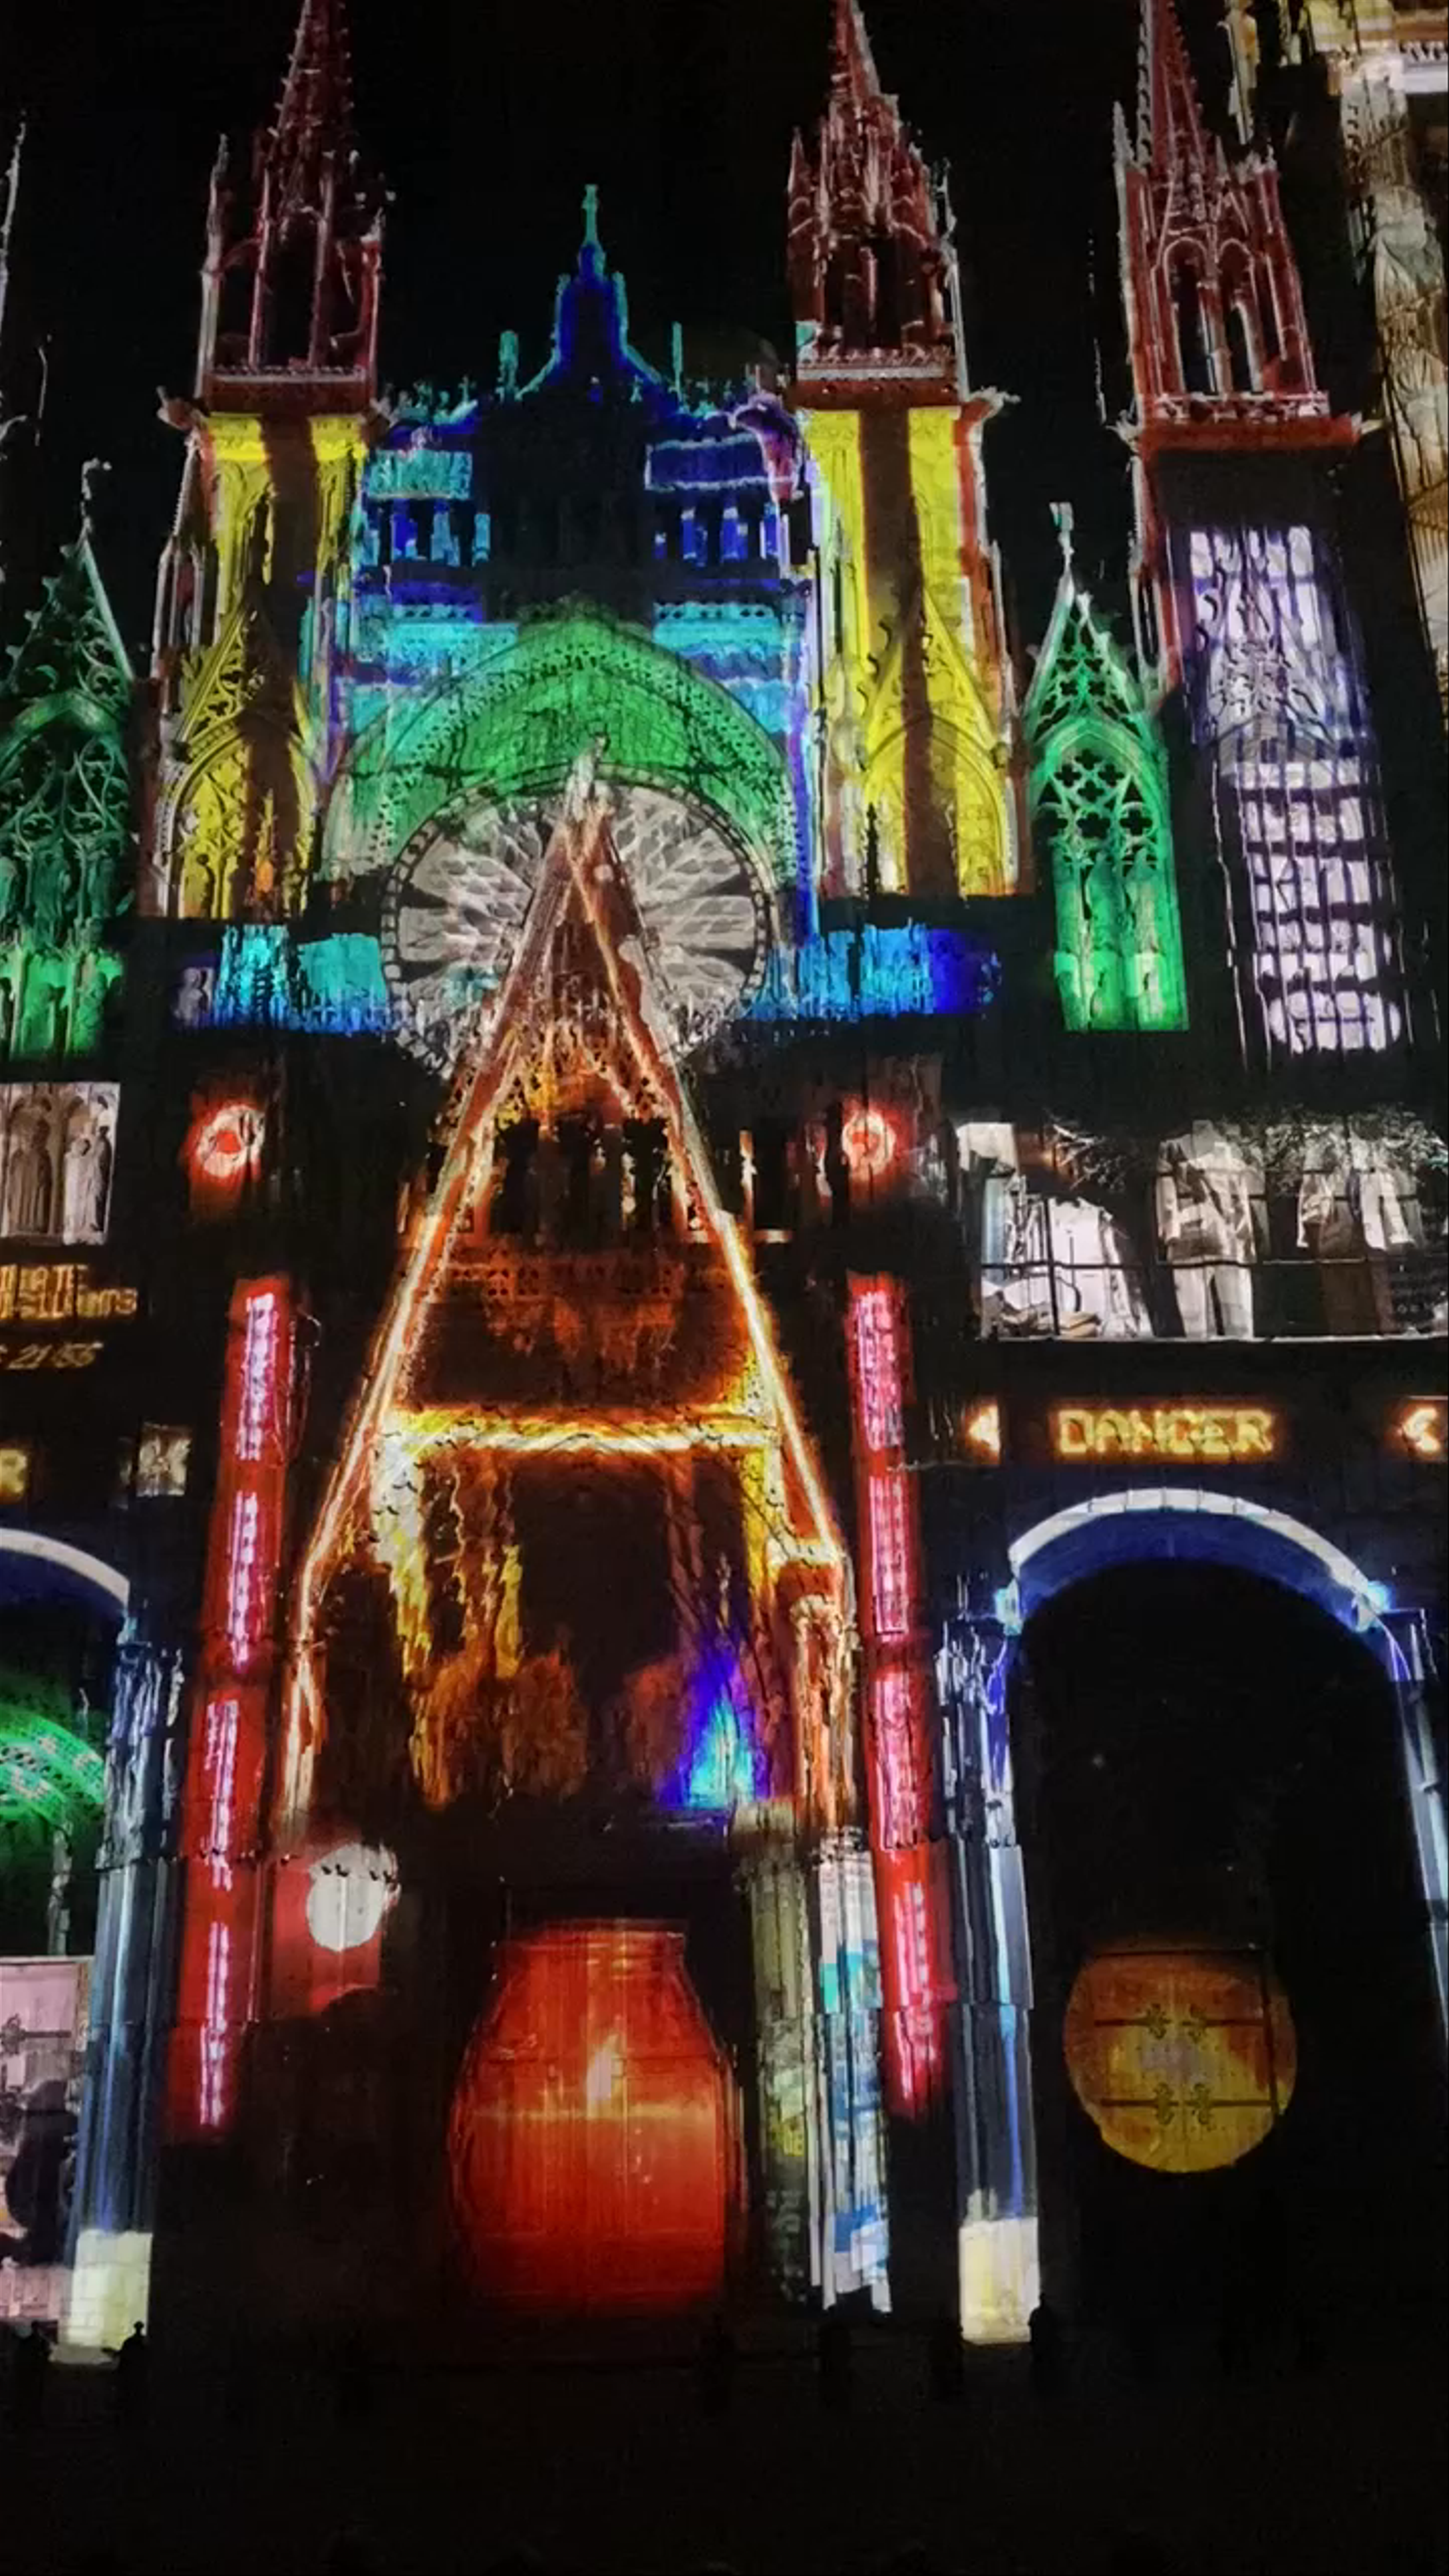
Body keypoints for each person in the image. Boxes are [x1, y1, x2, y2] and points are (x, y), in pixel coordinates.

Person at [697, 2308, 735, 2416]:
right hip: (718, 2376)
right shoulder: (724, 2340)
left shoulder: (709, 2339)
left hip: (715, 2376)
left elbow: (703, 2355)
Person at [114, 2319, 149, 2428]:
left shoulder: (130, 2342)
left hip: (131, 2377)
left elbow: (124, 2358)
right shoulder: (144, 2343)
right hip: (139, 2377)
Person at [817, 2303, 852, 2412]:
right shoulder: (840, 2328)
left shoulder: (827, 2329)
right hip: (838, 2360)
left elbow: (822, 2345)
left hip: (832, 2361)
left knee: (832, 2381)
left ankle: (833, 2403)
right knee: (839, 2380)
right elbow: (847, 2343)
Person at [926, 2306, 964, 2404]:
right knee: (947, 2371)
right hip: (945, 2351)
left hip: (942, 2351)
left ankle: (945, 2391)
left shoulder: (939, 2324)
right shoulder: (949, 2324)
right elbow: (958, 2335)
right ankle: (949, 2391)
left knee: (942, 2372)